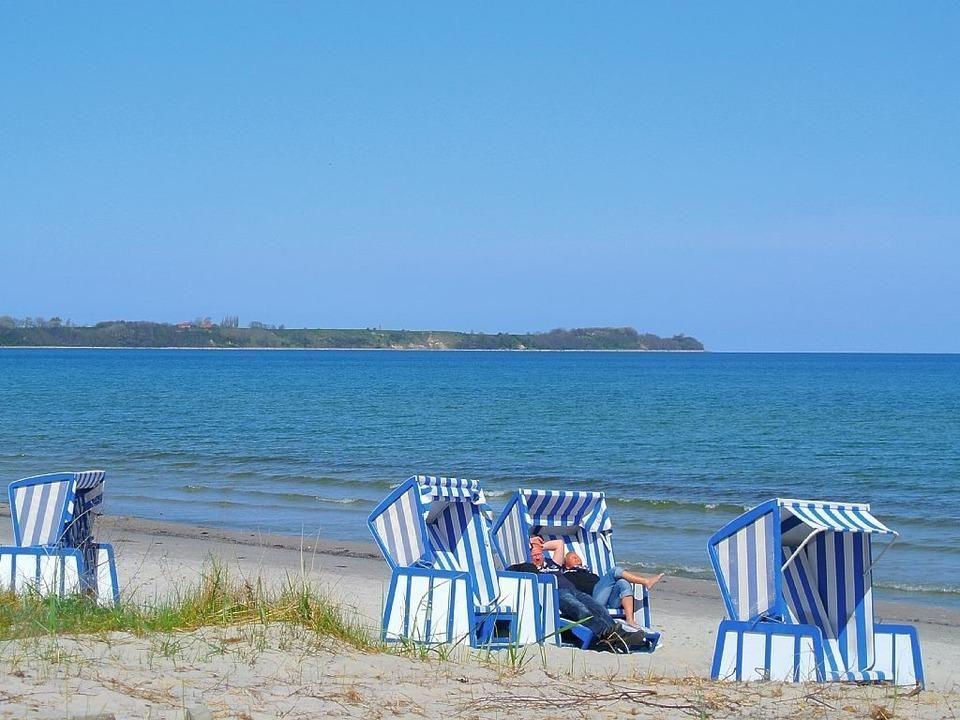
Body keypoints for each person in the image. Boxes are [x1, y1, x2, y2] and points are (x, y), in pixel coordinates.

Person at [507, 536, 648, 652]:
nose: (537, 557)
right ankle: (607, 634)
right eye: (534, 556)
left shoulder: (553, 564)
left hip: (574, 590)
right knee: (581, 609)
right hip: (557, 593)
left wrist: (538, 545)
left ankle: (617, 634)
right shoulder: (529, 568)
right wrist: (529, 544)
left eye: (539, 554)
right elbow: (510, 570)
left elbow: (559, 543)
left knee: (599, 608)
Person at [560, 551, 663, 631]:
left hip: (606, 600)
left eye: (577, 556)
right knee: (614, 570)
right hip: (593, 601)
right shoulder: (566, 575)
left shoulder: (588, 572)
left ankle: (630, 620)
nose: (577, 558)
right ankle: (646, 581)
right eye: (573, 557)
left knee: (623, 582)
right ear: (566, 564)